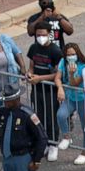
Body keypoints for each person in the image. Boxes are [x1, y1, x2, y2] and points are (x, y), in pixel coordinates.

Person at [26, 23, 62, 162]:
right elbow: (31, 67)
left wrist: (40, 78)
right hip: (37, 89)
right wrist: (29, 75)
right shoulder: (33, 48)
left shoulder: (55, 51)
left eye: (43, 34)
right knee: (39, 117)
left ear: (49, 34)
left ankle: (53, 144)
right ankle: (44, 143)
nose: (40, 37)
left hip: (50, 90)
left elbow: (58, 74)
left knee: (51, 117)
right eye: (38, 34)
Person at [56, 42, 85, 165]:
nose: (71, 56)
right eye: (68, 54)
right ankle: (66, 136)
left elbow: (74, 83)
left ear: (77, 54)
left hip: (83, 99)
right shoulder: (62, 62)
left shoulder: (84, 66)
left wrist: (71, 73)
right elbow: (57, 77)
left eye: (73, 54)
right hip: (70, 97)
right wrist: (60, 88)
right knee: (61, 115)